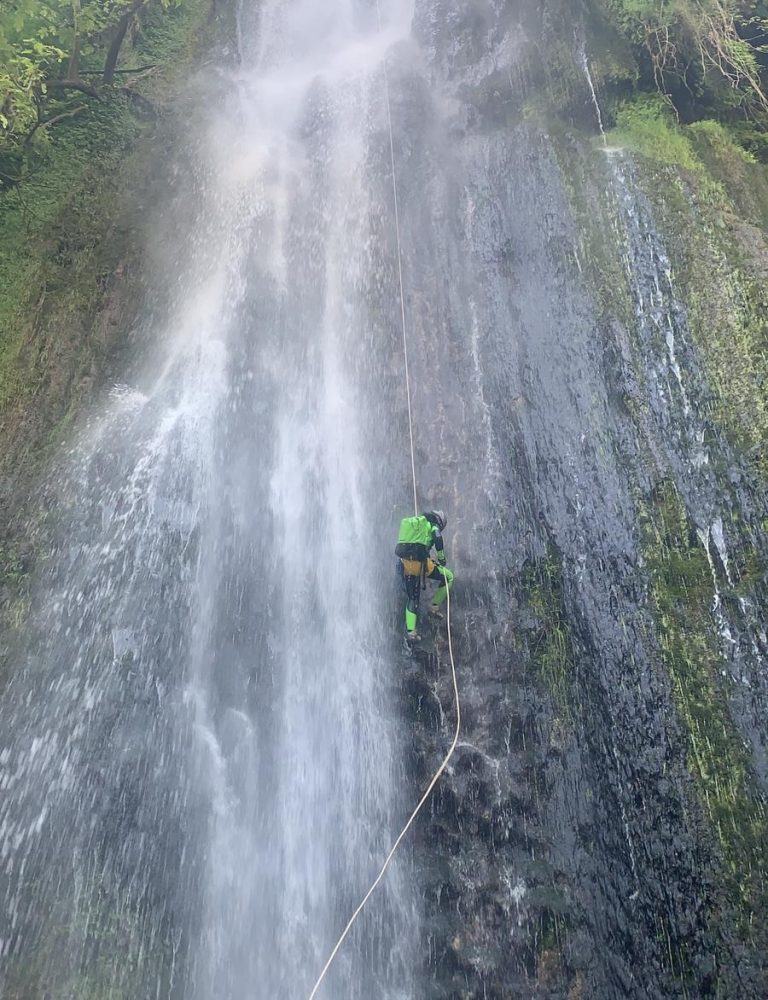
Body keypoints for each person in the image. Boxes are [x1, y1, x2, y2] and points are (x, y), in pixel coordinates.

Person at [395, 510, 455, 641]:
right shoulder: (433, 526)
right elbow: (437, 537)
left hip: (405, 564)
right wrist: (442, 559)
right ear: (440, 521)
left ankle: (411, 632)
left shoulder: (416, 525)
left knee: (412, 598)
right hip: (420, 565)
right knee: (449, 577)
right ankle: (433, 607)